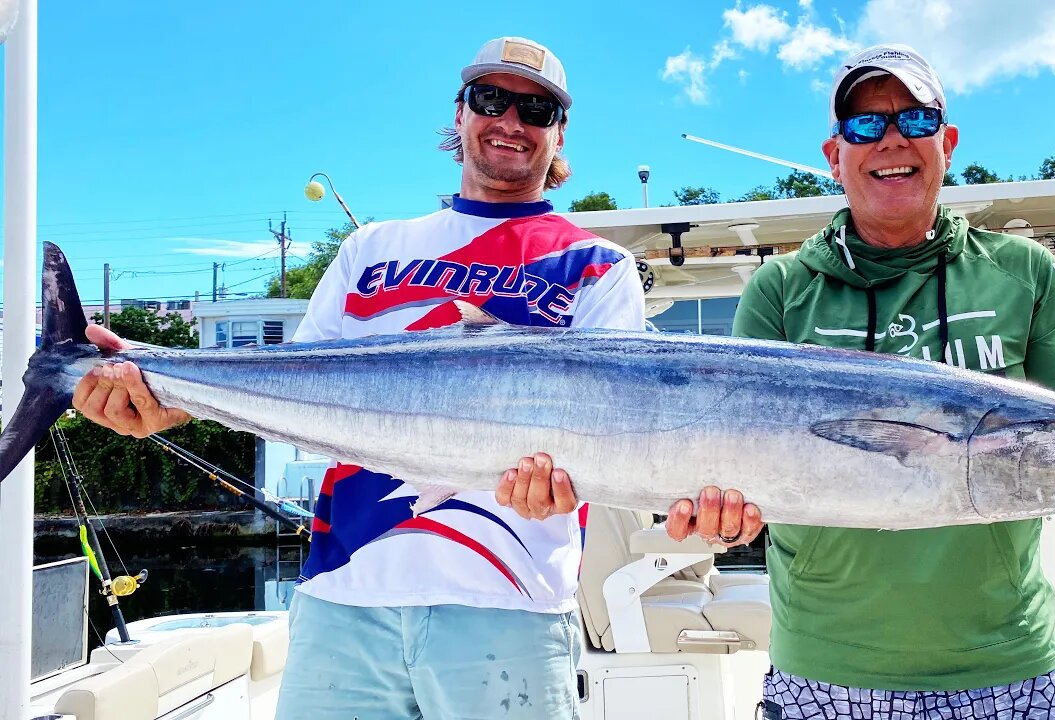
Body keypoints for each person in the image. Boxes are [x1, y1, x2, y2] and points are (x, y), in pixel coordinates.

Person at [73, 36, 644, 719]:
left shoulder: (598, 266)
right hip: (343, 596)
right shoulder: (370, 248)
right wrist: (171, 401)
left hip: (510, 602)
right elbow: (292, 391)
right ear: (460, 113)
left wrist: (571, 480)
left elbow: (613, 429)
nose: (511, 122)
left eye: (536, 109)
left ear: (559, 133)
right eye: (491, 99)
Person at [666, 44, 1055, 719]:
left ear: (948, 141)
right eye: (865, 126)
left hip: (1006, 665)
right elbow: (738, 469)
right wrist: (722, 523)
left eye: (915, 118)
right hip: (821, 666)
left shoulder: (1025, 274)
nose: (892, 139)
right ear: (834, 154)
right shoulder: (782, 290)